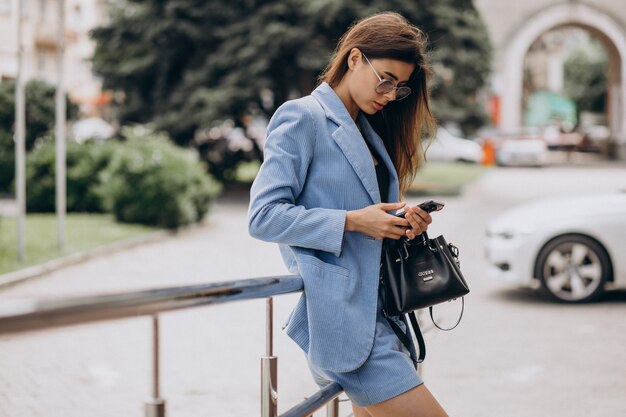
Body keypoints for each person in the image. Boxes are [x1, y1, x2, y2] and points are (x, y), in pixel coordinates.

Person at [248, 12, 448, 417]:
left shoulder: (368, 131)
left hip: (383, 316)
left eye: (400, 87)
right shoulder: (301, 116)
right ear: (354, 58)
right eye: (386, 79)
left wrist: (400, 224)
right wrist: (354, 221)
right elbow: (263, 216)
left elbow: (368, 220)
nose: (390, 95)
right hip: (344, 321)